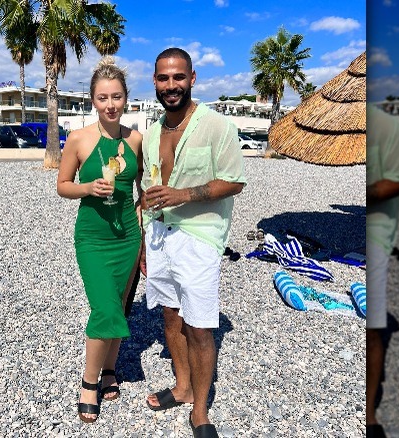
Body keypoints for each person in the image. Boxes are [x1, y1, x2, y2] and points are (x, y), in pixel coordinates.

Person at [140, 48, 245, 438]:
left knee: (200, 327)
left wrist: (182, 195)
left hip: (199, 238)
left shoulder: (216, 126)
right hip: (158, 235)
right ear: (154, 81)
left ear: (193, 78)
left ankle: (200, 411)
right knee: (170, 316)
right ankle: (182, 388)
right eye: (164, 78)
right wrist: (141, 245)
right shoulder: (152, 134)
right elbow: (147, 190)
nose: (171, 86)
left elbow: (234, 181)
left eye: (178, 77)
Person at [56, 57, 143, 423]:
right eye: (103, 97)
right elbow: (62, 186)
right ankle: (89, 381)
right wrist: (88, 188)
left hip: (127, 237)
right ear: (92, 100)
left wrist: (142, 214)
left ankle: (110, 369)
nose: (111, 104)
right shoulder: (78, 139)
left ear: (126, 99)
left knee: (120, 306)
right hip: (92, 237)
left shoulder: (135, 139)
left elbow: (145, 187)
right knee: (104, 306)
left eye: (117, 97)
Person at [366, 104, 399, 438]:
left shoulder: (386, 126)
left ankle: (368, 415)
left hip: (377, 234)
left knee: (372, 328)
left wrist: (365, 191)